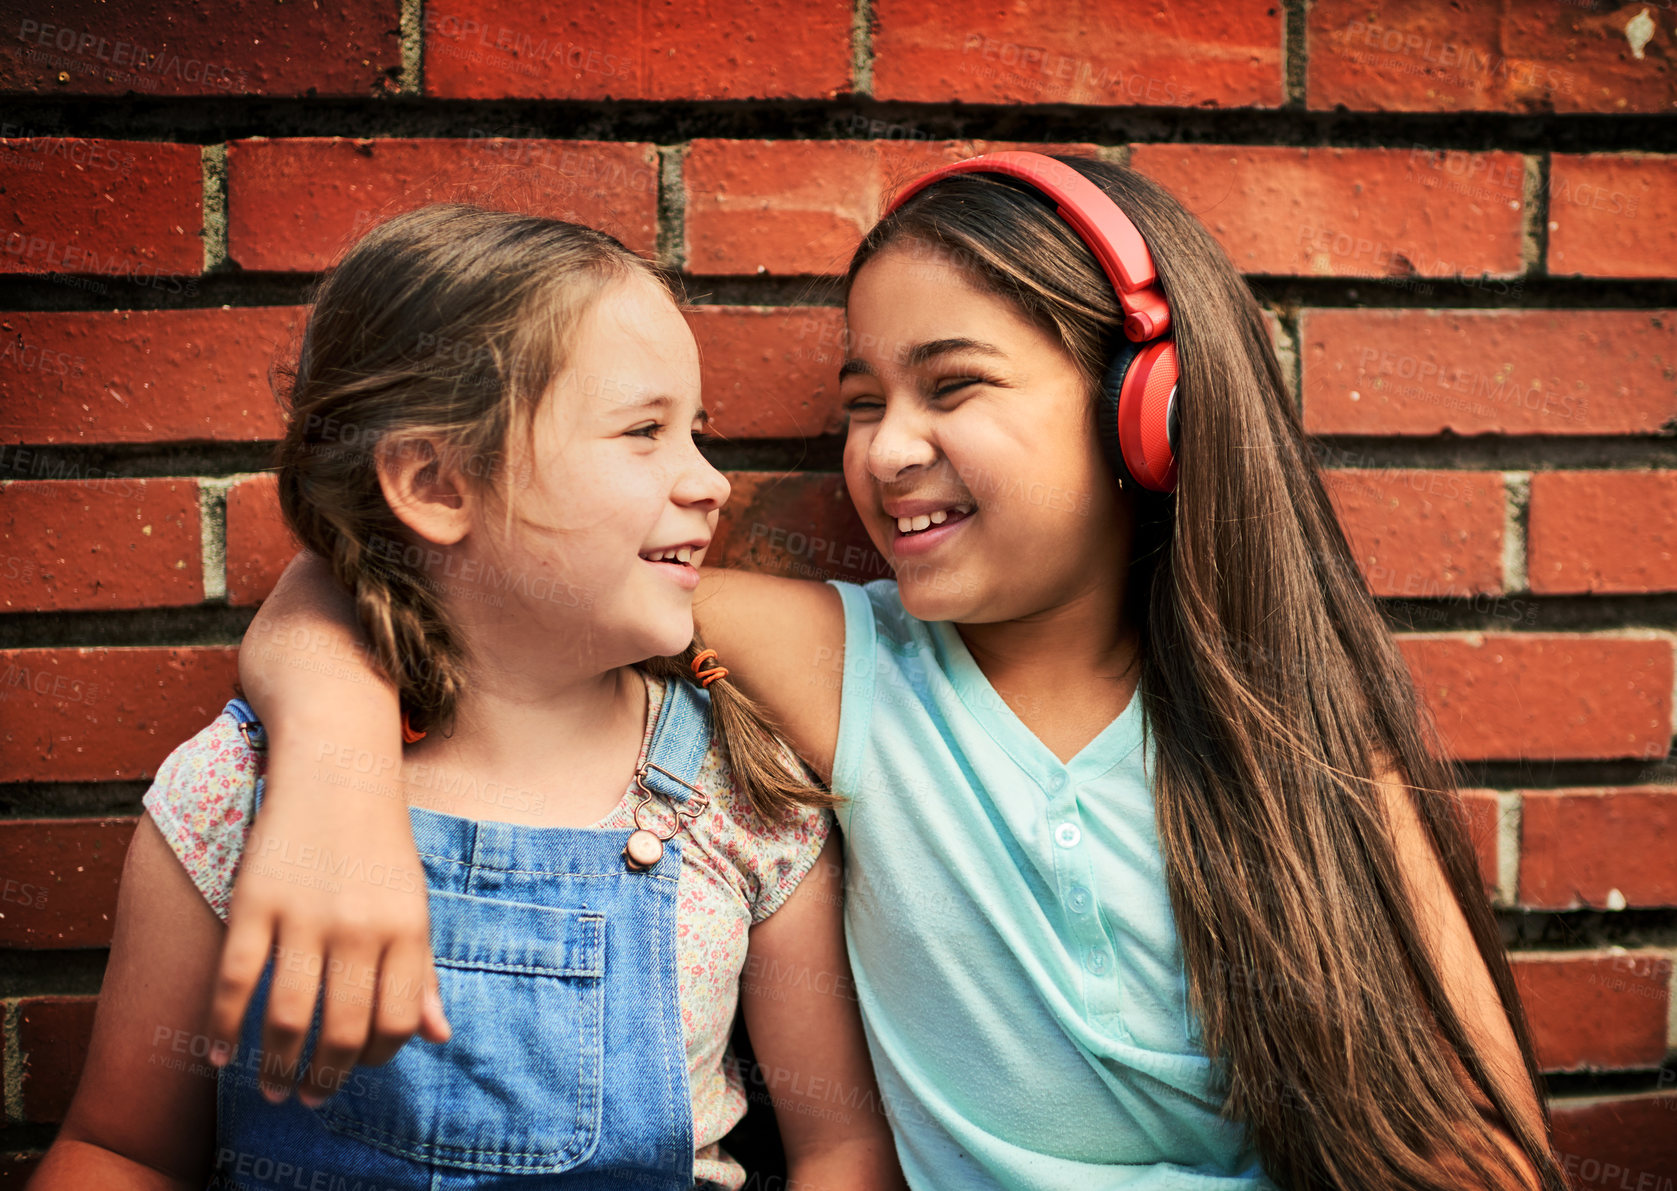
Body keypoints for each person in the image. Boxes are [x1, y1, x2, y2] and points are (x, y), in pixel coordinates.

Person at [180, 155, 1566, 1189]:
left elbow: (1476, 1149)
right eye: (860, 402)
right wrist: (337, 771)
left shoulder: (1303, 753)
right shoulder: (844, 664)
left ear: (1148, 416)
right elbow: (450, 578)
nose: (885, 447)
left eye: (950, 386)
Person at [32, 204, 902, 1191]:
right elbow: (122, 1149)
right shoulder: (233, 793)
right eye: (643, 432)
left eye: (696, 433)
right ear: (438, 484)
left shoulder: (740, 794)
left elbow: (843, 1149)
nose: (708, 482)